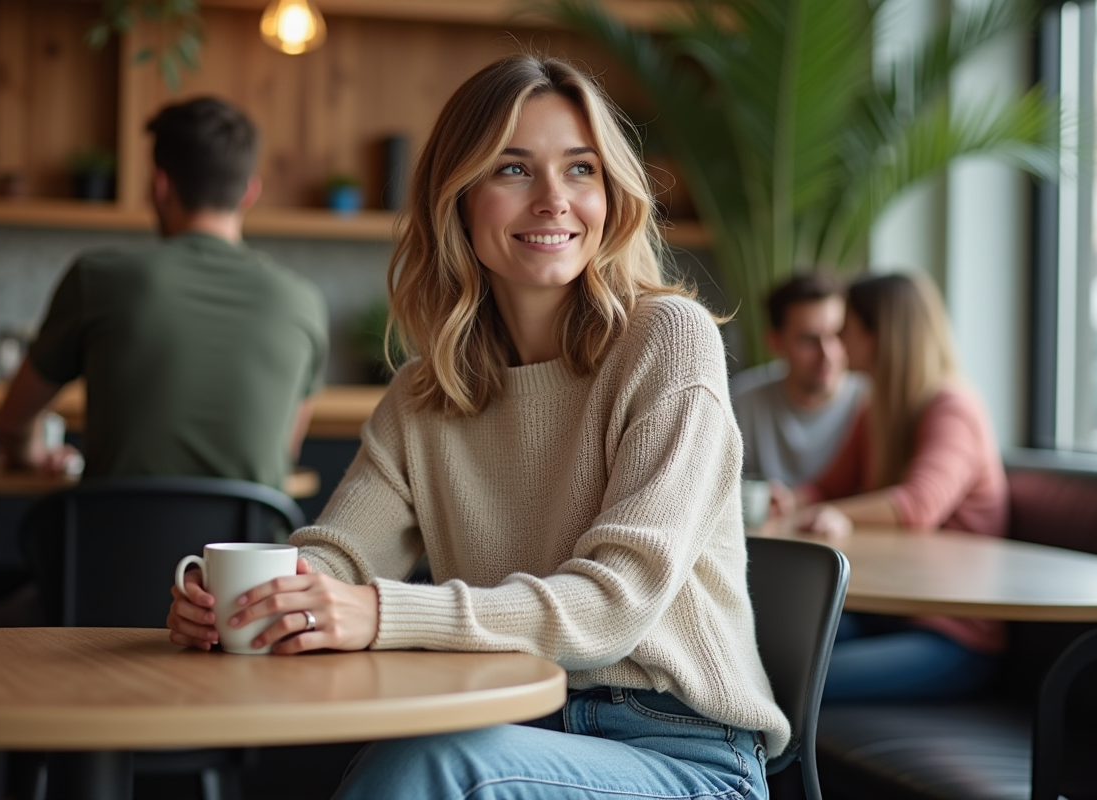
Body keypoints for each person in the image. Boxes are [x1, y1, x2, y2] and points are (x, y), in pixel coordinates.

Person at [169, 54, 788, 799]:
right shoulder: (427, 391)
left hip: (682, 752)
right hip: (508, 723)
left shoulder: (667, 341)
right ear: (457, 199)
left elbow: (615, 605)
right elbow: (341, 558)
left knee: (431, 768)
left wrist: (378, 613)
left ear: (611, 192)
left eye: (581, 169)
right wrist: (253, 603)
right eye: (513, 169)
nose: (554, 200)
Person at [0, 97, 328, 491]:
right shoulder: (303, 302)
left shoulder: (97, 278)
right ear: (249, 193)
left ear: (159, 185)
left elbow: (13, 423)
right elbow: (283, 451)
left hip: (116, 533)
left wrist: (33, 453)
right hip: (249, 533)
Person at [774, 271, 1008, 701]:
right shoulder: (878, 408)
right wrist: (788, 499)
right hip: (888, 615)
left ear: (880, 335)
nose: (837, 344)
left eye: (846, 329)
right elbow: (828, 487)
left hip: (952, 633)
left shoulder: (953, 407)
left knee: (792, 683)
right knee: (768, 647)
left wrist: (834, 514)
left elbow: (917, 505)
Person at [732, 272, 865, 485]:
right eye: (809, 340)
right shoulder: (741, 403)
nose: (828, 354)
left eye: (838, 334)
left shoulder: (869, 402)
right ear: (776, 342)